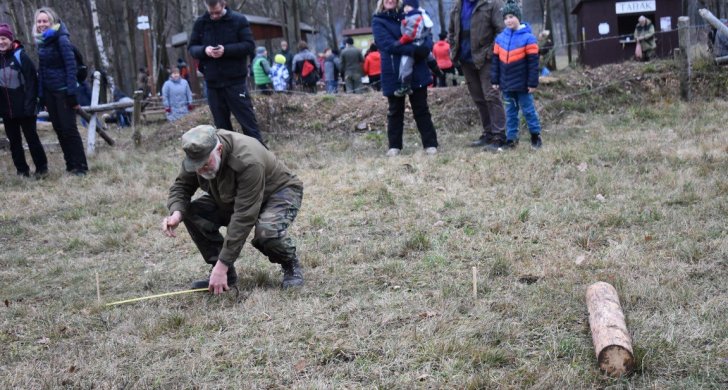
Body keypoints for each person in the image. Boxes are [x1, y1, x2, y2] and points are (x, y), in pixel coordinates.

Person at [161, 125, 305, 293]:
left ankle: (290, 264)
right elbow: (182, 186)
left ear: (219, 149)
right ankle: (225, 274)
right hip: (233, 196)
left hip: (278, 192)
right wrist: (177, 213)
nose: (200, 170)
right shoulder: (198, 154)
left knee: (267, 232)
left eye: (205, 164)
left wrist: (224, 263)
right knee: (193, 213)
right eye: (196, 166)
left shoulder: (247, 159)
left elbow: (244, 216)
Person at [188, 0, 264, 144]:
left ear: (224, 5)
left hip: (235, 82)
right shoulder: (201, 23)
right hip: (212, 83)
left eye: (217, 12)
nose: (214, 16)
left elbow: (249, 45)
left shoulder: (238, 20)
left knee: (248, 124)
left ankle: (262, 159)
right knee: (222, 129)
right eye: (211, 13)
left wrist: (226, 50)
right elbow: (192, 48)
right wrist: (205, 50)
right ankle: (230, 162)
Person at [372, 0, 439, 157]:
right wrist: (416, 49)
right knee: (395, 110)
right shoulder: (378, 20)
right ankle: (394, 146)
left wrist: (425, 46)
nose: (390, 0)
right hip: (393, 71)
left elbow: (426, 35)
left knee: (421, 108)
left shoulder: (412, 13)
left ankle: (430, 144)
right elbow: (387, 44)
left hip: (416, 69)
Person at [34, 7, 88, 176]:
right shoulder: (42, 42)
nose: (42, 24)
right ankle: (70, 165)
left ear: (52, 22)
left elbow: (71, 66)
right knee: (58, 128)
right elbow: (41, 71)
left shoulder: (61, 39)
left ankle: (80, 166)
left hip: (64, 91)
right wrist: (41, 95)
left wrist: (72, 93)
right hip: (50, 92)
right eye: (39, 21)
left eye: (45, 21)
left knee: (69, 128)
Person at [448, 0, 507, 150]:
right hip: (465, 59)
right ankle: (488, 133)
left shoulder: (492, 3)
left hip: (487, 59)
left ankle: (499, 135)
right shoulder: (457, 5)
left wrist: (490, 53)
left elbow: (501, 30)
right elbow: (451, 31)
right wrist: (454, 49)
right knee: (478, 98)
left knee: (491, 96)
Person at [491, 0, 542, 150]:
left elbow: (533, 64)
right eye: (505, 18)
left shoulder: (528, 38)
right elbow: (495, 62)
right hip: (507, 85)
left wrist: (532, 83)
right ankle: (511, 139)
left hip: (523, 85)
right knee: (511, 113)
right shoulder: (500, 39)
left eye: (511, 16)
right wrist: (495, 80)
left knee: (528, 110)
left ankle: (535, 135)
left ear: (518, 16)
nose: (508, 20)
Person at [0, 23, 48, 177]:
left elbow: (32, 81)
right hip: (7, 111)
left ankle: (42, 169)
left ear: (10, 39)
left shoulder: (21, 56)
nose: (1, 42)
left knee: (32, 139)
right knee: (14, 142)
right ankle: (22, 171)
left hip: (25, 108)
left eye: (3, 38)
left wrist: (31, 105)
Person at [393, 0, 433, 97]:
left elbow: (412, 34)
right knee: (429, 57)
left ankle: (405, 85)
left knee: (406, 65)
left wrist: (400, 42)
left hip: (414, 47)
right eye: (405, 6)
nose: (406, 8)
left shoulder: (414, 16)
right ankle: (436, 69)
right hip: (412, 48)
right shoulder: (408, 15)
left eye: (408, 6)